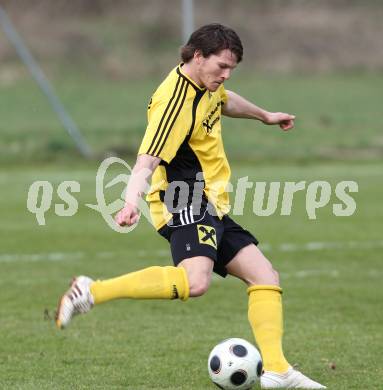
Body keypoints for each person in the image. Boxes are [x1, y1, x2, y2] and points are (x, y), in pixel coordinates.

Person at [55, 24, 326, 389]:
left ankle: (277, 369)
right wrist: (129, 201)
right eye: (221, 67)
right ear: (198, 56)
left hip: (209, 201)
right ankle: (90, 291)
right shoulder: (174, 103)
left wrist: (264, 115)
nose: (226, 75)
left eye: (232, 69)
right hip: (180, 199)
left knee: (265, 278)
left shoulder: (206, 85)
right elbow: (145, 162)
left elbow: (224, 100)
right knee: (195, 282)